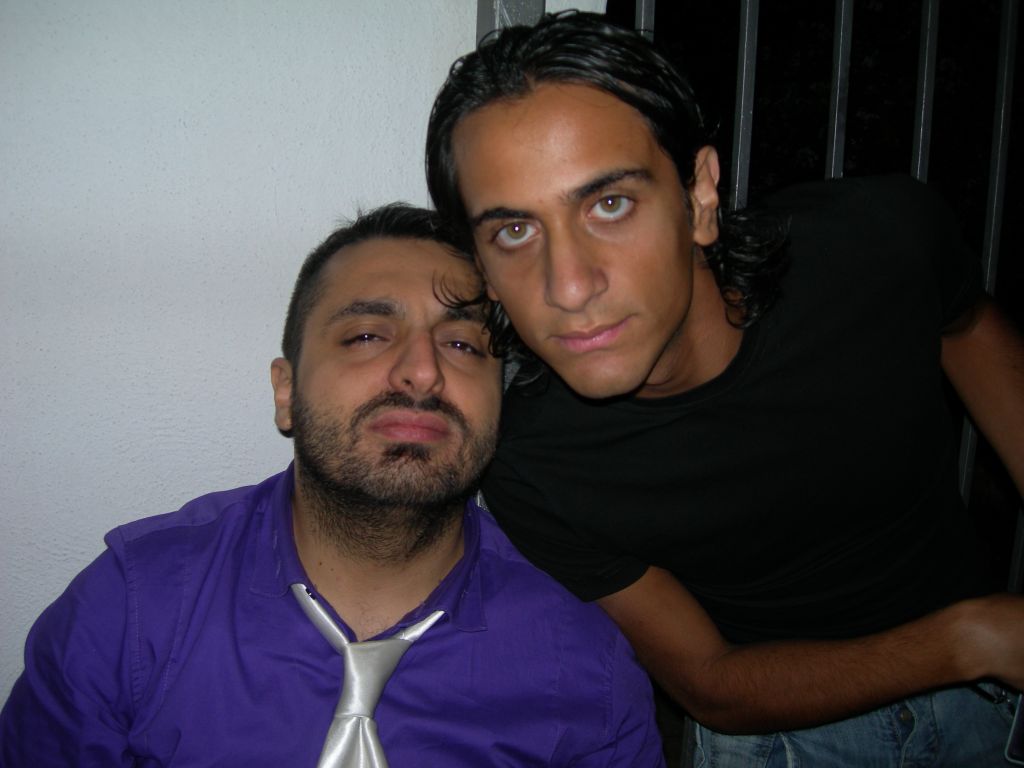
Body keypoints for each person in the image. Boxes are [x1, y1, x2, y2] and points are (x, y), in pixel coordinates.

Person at [425, 11, 1024, 766]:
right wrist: (971, 639)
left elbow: (966, 325)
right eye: (514, 231)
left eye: (609, 204)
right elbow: (709, 682)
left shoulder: (873, 248)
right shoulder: (530, 458)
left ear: (699, 195)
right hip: (781, 726)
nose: (569, 287)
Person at [0, 204, 666, 767]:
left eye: (463, 345)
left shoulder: (589, 674)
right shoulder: (128, 612)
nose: (422, 372)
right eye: (368, 335)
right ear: (286, 392)